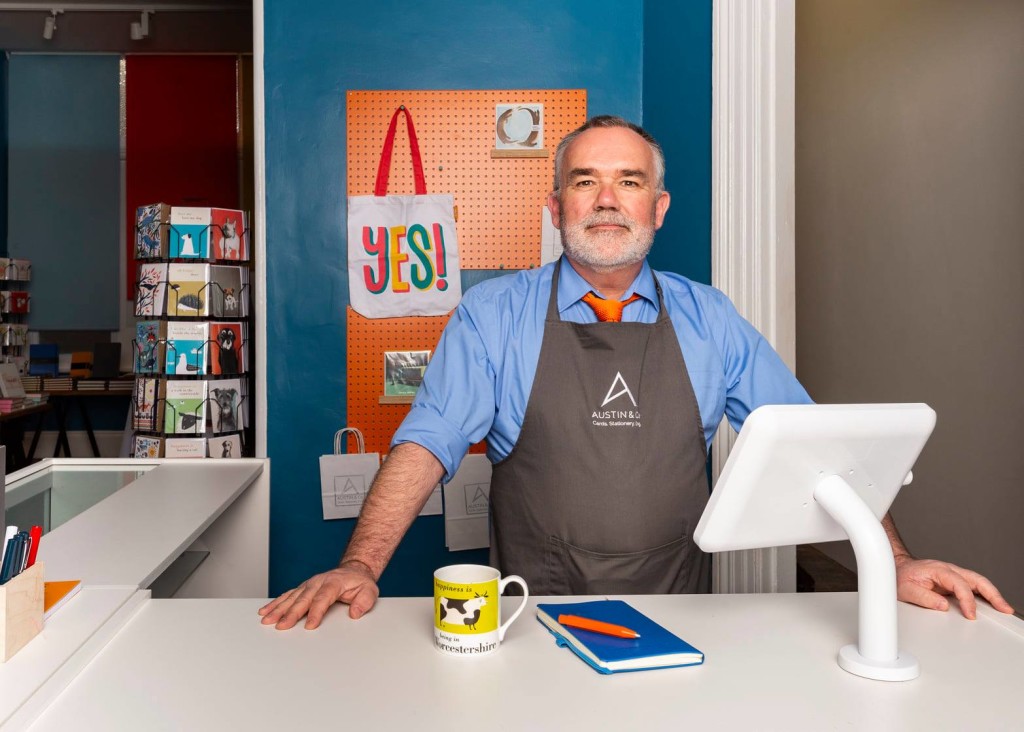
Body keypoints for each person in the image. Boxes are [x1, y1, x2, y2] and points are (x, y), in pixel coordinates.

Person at [260, 116, 1013, 630]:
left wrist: (897, 565)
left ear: (658, 207)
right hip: (534, 618)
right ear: (556, 207)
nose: (607, 200)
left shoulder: (710, 316)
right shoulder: (492, 316)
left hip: (685, 621)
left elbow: (820, 446)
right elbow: (424, 445)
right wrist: (358, 566)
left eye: (628, 182)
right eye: (586, 182)